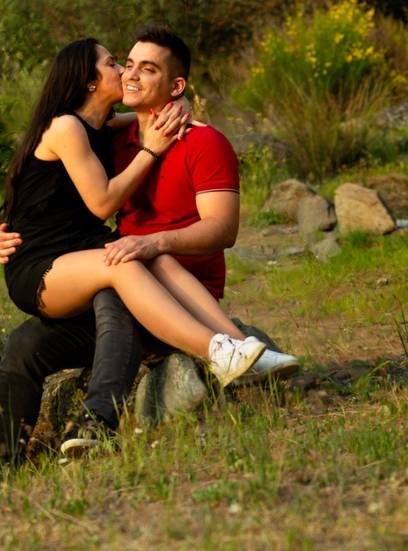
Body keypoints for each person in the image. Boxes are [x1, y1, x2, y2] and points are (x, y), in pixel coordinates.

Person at [0, 35, 291, 461]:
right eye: (115, 64)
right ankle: (214, 351)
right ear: (87, 81)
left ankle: (237, 345)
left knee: (148, 255)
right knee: (125, 261)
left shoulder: (105, 125)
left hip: (83, 252)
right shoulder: (65, 126)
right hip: (40, 264)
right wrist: (152, 150)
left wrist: (179, 108)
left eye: (137, 66)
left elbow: (148, 120)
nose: (125, 73)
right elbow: (101, 202)